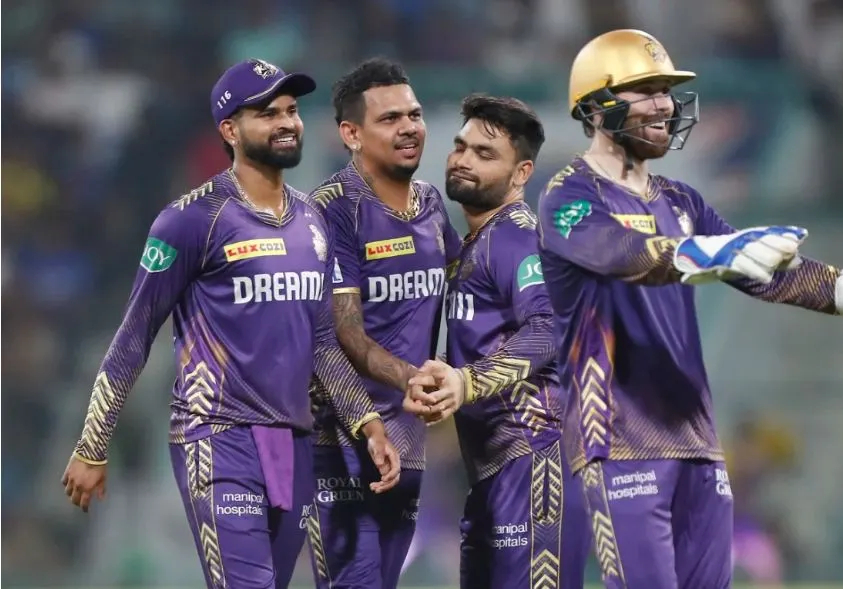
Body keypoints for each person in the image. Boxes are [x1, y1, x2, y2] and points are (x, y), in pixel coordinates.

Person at [535, 29, 843, 589]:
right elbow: (626, 255)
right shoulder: (567, 196)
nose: (664, 104)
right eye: (647, 90)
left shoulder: (681, 201)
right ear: (596, 107)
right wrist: (715, 253)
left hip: (698, 447)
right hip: (618, 444)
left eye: (667, 91)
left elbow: (774, 274)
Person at [60, 58, 401, 589]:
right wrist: (92, 444)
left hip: (293, 444)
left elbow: (321, 342)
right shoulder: (189, 221)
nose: (286, 122)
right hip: (216, 436)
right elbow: (134, 335)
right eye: (267, 114)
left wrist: (367, 423)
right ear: (230, 130)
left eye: (291, 110)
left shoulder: (314, 222)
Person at [405, 94, 591, 588]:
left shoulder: (517, 239)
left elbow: (549, 327)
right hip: (493, 473)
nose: (463, 159)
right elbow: (488, 343)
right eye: (461, 146)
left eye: (485, 154)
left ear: (521, 172)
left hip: (536, 467)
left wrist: (466, 382)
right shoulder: (474, 245)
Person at [305, 57, 461, 589]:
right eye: (390, 118)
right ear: (351, 134)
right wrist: (411, 379)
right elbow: (343, 332)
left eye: (414, 115)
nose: (409, 128)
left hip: (409, 439)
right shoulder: (330, 210)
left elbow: (467, 288)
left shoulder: (431, 206)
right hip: (341, 441)